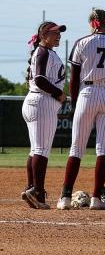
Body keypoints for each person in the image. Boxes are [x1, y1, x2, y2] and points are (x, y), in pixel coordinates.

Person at [56, 8, 105, 210]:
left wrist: (74, 102)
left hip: (87, 93)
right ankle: (97, 198)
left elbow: (74, 78)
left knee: (76, 148)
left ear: (92, 23)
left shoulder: (82, 42)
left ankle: (65, 197)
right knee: (103, 150)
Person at [21, 21, 68, 209]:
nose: (58, 35)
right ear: (43, 35)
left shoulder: (44, 52)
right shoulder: (43, 52)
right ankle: (38, 193)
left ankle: (32, 188)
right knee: (41, 150)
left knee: (35, 150)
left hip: (35, 101)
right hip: (42, 101)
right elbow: (40, 79)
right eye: (54, 32)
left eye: (59, 33)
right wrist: (59, 94)